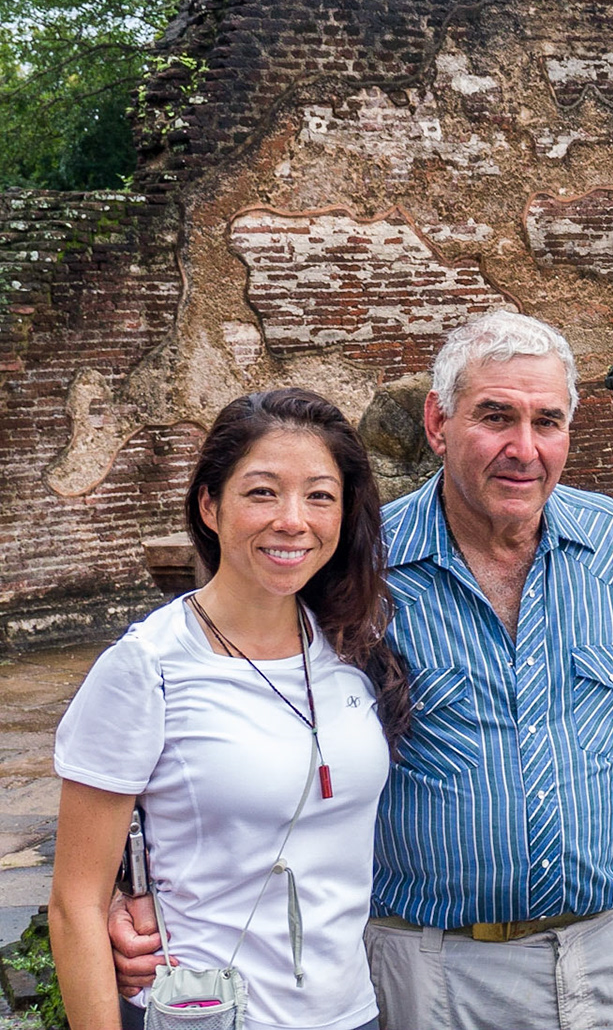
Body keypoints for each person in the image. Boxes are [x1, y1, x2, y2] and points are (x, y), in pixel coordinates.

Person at [114, 312, 613, 1028]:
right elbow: (237, 720)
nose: (524, 448)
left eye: (548, 422)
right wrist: (132, 885)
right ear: (439, 424)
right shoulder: (359, 569)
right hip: (431, 971)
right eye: (495, 417)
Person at [52, 389, 410, 1030]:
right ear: (210, 505)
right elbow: (75, 902)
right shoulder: (149, 666)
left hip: (350, 1013)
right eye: (263, 492)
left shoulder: (351, 648)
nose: (293, 519)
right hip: (209, 1013)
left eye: (320, 495)